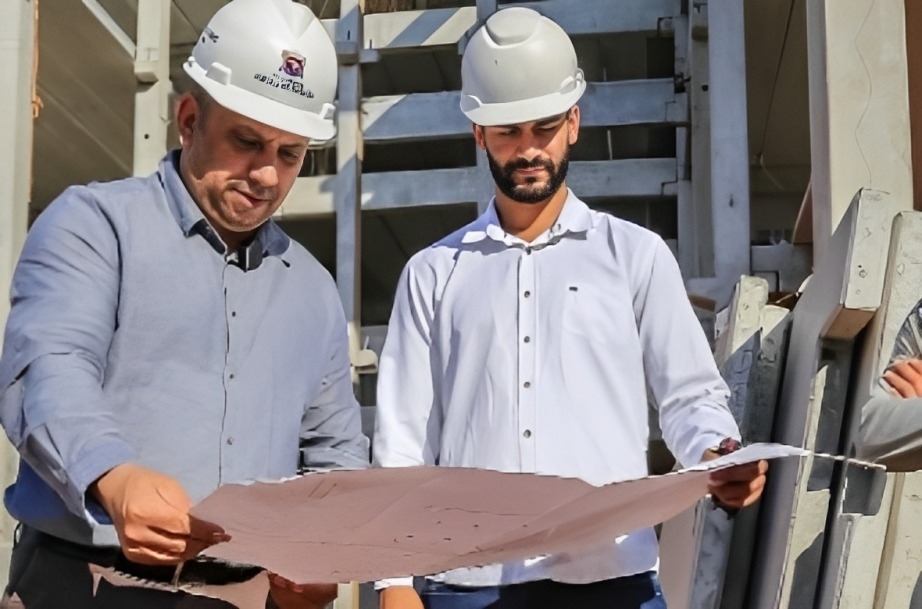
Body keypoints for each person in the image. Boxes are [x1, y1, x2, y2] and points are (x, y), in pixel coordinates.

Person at [372, 7, 767, 609]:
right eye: (508, 132)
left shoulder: (635, 255)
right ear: (479, 133)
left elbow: (690, 396)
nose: (528, 149)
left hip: (611, 580)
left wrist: (717, 454)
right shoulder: (432, 274)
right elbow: (403, 439)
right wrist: (393, 581)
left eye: (544, 127)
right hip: (468, 583)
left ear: (574, 122)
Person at [0, 0, 368, 607]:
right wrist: (113, 476)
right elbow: (50, 368)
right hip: (85, 585)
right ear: (190, 119)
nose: (268, 176)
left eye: (290, 154)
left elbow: (334, 453)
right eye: (247, 142)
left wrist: (323, 557)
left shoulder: (312, 291)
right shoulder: (96, 227)